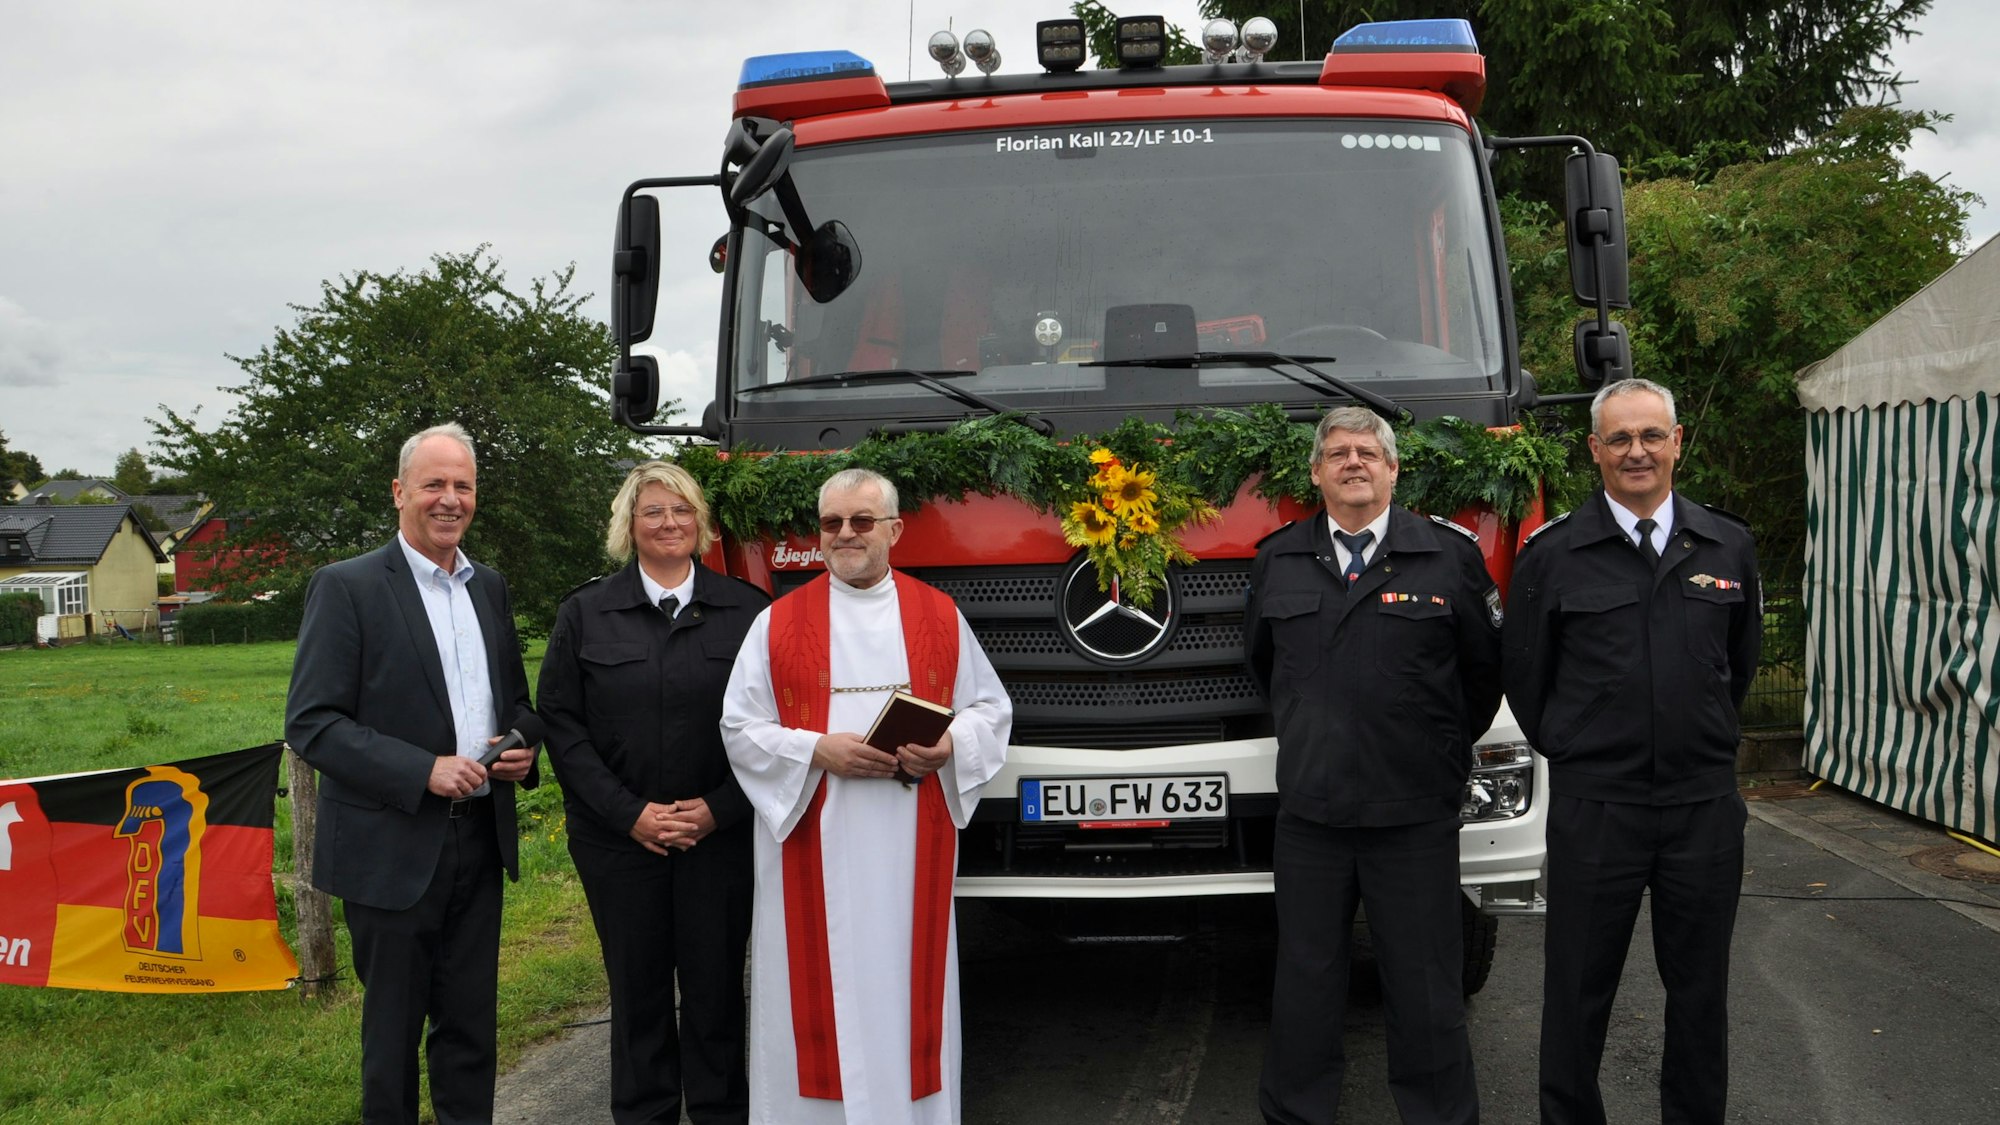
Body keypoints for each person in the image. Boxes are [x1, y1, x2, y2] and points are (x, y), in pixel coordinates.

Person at [719, 467, 1012, 1125]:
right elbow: (739, 727)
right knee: (811, 995)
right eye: (832, 522)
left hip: (911, 840)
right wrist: (816, 750)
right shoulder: (776, 623)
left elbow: (990, 710)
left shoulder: (939, 615)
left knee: (906, 989)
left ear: (894, 530)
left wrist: (948, 745)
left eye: (862, 520)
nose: (845, 534)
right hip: (814, 841)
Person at [1504, 378, 1761, 1125]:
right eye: (1619, 438)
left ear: (1677, 442)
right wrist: (1577, 745)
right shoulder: (1553, 554)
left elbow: (1739, 663)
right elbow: (1526, 675)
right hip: (1597, 809)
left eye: (1651, 435)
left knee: (1700, 994)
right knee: (1576, 994)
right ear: (1595, 450)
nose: (1636, 451)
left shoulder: (1727, 544)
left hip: (1702, 808)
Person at [1246, 406, 1502, 1125]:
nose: (1353, 462)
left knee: (1427, 992)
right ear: (1316, 473)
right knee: (1304, 988)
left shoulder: (1447, 557)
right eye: (1338, 453)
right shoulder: (1279, 559)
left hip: (1412, 816)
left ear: (1393, 469)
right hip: (1312, 818)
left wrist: (1431, 752)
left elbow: (1482, 678)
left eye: (1367, 451)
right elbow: (1265, 667)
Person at [284, 422, 540, 1124]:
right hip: (390, 845)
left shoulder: (489, 588)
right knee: (392, 1036)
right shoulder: (347, 586)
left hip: (479, 840)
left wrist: (521, 749)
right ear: (400, 492)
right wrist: (421, 768)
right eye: (434, 484)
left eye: (463, 486)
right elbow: (312, 722)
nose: (450, 499)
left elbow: (518, 703)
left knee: (470, 1028)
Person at [536, 461, 768, 1124]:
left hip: (719, 841)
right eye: (653, 511)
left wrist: (720, 808)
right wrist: (629, 813)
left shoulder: (749, 611)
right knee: (637, 997)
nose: (669, 522)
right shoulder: (585, 613)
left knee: (716, 994)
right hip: (619, 845)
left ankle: (722, 1113)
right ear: (628, 526)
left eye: (682, 509)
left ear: (700, 522)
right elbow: (562, 726)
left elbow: (779, 728)